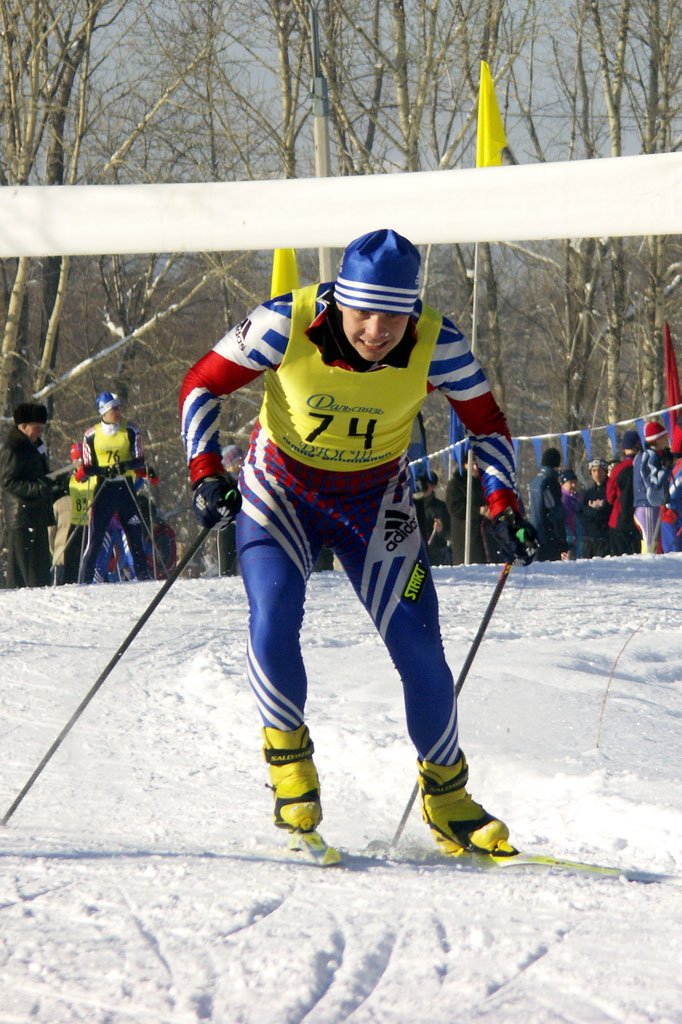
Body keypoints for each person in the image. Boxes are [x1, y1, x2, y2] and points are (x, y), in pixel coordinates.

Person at [180, 228, 538, 860]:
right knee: (275, 615)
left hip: (377, 502)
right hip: (280, 490)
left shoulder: (438, 340)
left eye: (393, 315)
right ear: (338, 301)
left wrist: (503, 501)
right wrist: (206, 470)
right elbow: (201, 384)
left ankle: (448, 799)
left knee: (421, 648)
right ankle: (290, 769)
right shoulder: (283, 322)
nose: (377, 329)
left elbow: (488, 425)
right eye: (363, 312)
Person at [79, 391, 150, 584]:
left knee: (135, 537)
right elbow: (87, 466)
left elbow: (139, 459)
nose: (118, 412)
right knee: (95, 540)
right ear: (104, 411)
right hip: (104, 491)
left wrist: (125, 466)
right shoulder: (91, 434)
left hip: (126, 490)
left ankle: (144, 578)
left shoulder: (131, 430)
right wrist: (104, 470)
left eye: (119, 408)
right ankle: (84, 582)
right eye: (114, 409)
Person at [0, 402, 54, 588]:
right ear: (23, 427)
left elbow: (41, 475)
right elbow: (7, 481)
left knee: (38, 570)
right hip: (22, 516)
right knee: (24, 574)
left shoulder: (36, 446)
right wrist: (37, 489)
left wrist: (54, 485)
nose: (39, 432)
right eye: (36, 428)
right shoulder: (13, 448)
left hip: (36, 514)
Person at [445, 455, 498, 564]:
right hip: (465, 534)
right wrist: (478, 511)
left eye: (477, 464)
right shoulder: (456, 484)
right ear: (464, 465)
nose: (475, 467)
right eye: (471, 464)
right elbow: (455, 508)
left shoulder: (484, 482)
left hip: (485, 533)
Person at [632, 420, 673, 553]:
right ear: (656, 439)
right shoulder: (650, 455)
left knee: (651, 544)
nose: (666, 441)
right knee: (650, 546)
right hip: (647, 505)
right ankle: (646, 571)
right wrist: (666, 467)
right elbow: (653, 482)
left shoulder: (643, 455)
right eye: (664, 438)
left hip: (645, 504)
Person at [528, 447, 570, 561]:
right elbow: (554, 511)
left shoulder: (534, 482)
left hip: (535, 533)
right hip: (548, 535)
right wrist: (561, 538)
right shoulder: (550, 481)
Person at [606, 429, 642, 556]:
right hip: (640, 520)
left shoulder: (618, 469)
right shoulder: (643, 465)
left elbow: (610, 497)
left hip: (619, 521)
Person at [217, 443, 244, 576]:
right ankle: (227, 574)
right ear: (229, 465)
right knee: (228, 554)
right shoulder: (225, 481)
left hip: (245, 522)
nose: (241, 464)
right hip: (230, 523)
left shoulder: (246, 477)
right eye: (237, 462)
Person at [414, 471, 451, 565]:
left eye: (426, 485)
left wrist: (441, 529)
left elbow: (449, 534)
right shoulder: (411, 506)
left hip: (434, 556)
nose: (422, 488)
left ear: (433, 486)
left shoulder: (441, 508)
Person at [577, 458, 612, 559]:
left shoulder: (609, 491)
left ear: (605, 472)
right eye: (594, 470)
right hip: (588, 538)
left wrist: (593, 512)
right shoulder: (588, 493)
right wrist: (592, 512)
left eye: (599, 470)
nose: (597, 474)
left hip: (603, 539)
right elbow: (580, 514)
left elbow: (605, 512)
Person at [558, 469, 582, 558]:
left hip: (576, 536)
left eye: (575, 482)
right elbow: (567, 522)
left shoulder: (575, 498)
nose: (574, 485)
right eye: (570, 482)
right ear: (563, 484)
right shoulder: (564, 499)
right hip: (569, 536)